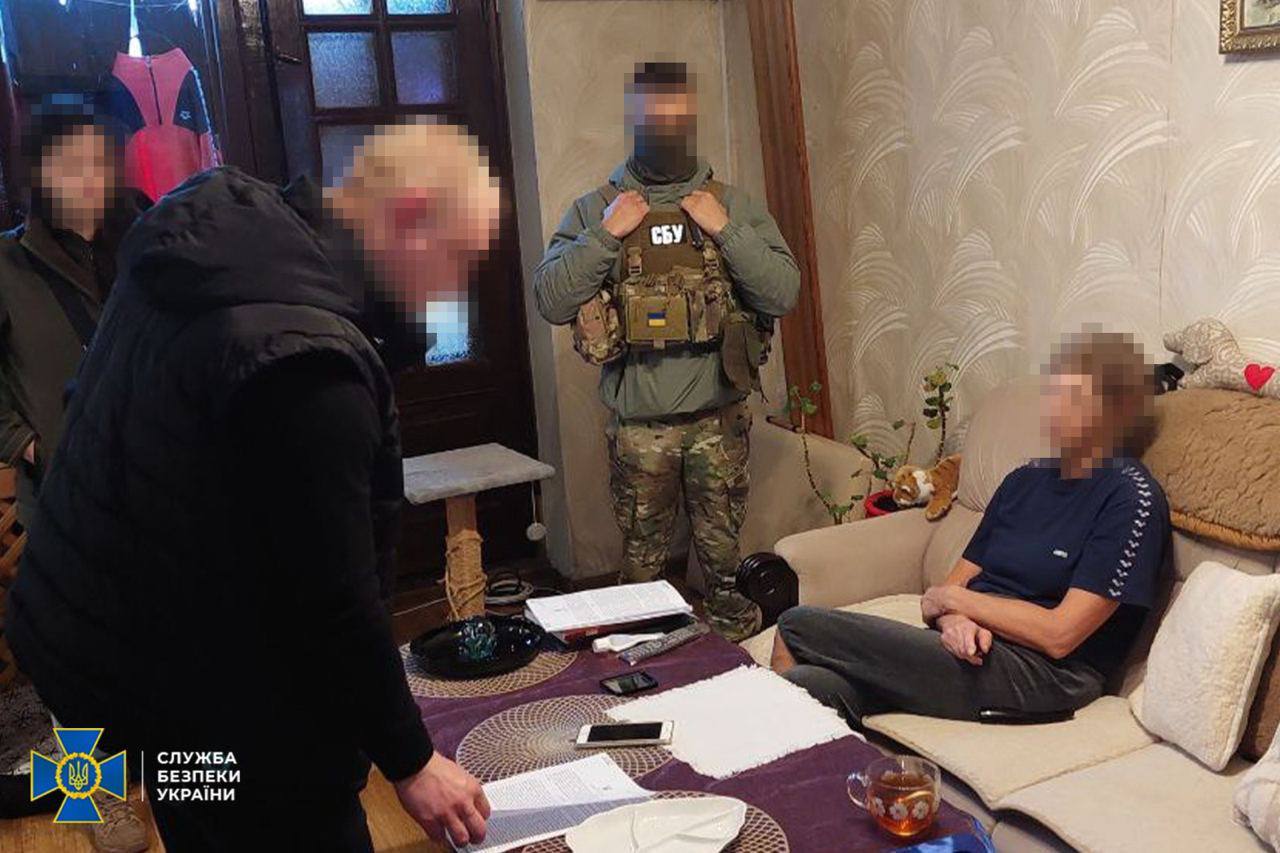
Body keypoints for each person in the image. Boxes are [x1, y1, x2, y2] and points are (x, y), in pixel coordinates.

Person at [6, 120, 499, 850]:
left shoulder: (224, 247)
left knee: (200, 812)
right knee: (291, 818)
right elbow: (334, 595)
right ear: (409, 215)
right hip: (190, 687)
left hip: (117, 654)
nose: (455, 290)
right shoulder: (304, 356)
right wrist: (412, 760)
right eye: (459, 259)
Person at [772, 331, 1171, 724]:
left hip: (1045, 673)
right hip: (970, 646)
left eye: (1075, 399)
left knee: (797, 626)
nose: (1055, 408)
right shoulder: (1023, 480)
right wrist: (954, 621)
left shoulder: (1130, 499)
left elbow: (1059, 635)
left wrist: (957, 604)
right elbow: (947, 591)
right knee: (812, 685)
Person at [533, 62, 800, 642]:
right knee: (641, 578)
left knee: (726, 574)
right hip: (639, 429)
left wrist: (725, 229)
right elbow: (551, 299)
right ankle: (648, 665)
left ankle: (735, 668)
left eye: (675, 115)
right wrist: (606, 234)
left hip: (719, 421)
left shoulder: (731, 204)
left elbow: (783, 292)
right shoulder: (596, 208)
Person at [0, 95, 151, 851]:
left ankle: (173, 781)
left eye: (98, 160)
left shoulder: (148, 248)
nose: (88, 178)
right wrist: (24, 441)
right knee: (73, 654)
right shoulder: (7, 265)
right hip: (61, 495)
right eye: (68, 163)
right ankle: (98, 801)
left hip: (156, 485)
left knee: (159, 642)